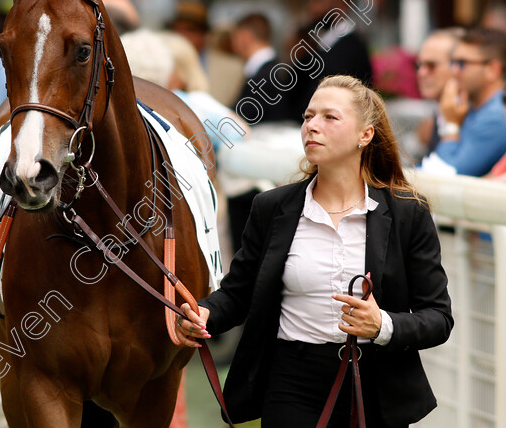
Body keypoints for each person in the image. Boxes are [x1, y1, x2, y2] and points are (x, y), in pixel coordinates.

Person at [176, 75, 453, 427]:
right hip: (291, 381)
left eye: (329, 118)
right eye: (308, 117)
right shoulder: (272, 207)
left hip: (378, 384)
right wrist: (203, 313)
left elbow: (438, 318)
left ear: (364, 135)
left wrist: (381, 324)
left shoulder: (406, 212)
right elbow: (238, 293)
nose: (312, 127)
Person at [420, 27, 506, 176]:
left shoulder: (496, 116)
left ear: (493, 69)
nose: (454, 71)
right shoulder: (473, 107)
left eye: (461, 63)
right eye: (452, 62)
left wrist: (451, 125)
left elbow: (445, 174)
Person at [231, 12, 299, 123]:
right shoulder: (274, 70)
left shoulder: (266, 75)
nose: (233, 44)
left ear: (245, 37)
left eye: (235, 37)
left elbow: (243, 116)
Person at [414, 28, 465, 156]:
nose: (421, 73)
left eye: (431, 65)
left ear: (457, 67)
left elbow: (447, 168)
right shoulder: (438, 110)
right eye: (419, 65)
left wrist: (451, 126)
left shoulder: (475, 113)